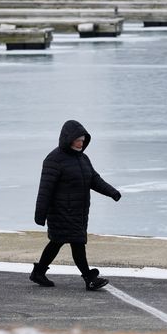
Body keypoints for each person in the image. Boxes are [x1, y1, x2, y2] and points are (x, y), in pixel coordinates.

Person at [31, 119, 121, 291]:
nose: (81, 142)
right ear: (68, 139)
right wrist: (40, 215)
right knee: (75, 243)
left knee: (58, 242)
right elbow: (45, 189)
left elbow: (94, 179)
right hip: (60, 211)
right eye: (78, 139)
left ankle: (39, 272)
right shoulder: (54, 159)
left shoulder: (83, 158)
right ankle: (89, 278)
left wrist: (112, 192)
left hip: (78, 211)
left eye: (83, 139)